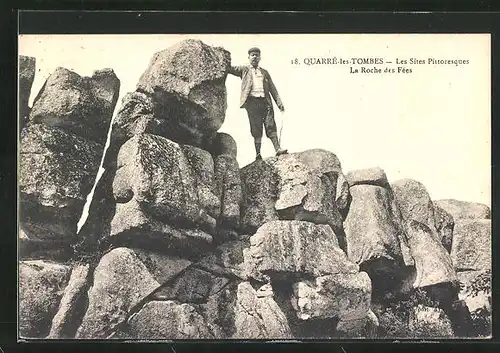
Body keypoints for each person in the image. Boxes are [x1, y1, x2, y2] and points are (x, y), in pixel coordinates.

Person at [229, 47, 288, 160]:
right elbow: (230, 69)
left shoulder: (265, 72)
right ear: (249, 57)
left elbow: (272, 88)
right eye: (252, 55)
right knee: (256, 128)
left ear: (260, 57)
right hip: (252, 103)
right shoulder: (244, 70)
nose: (255, 57)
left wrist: (279, 102)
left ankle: (277, 149)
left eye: (257, 55)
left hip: (265, 102)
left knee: (270, 124)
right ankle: (258, 154)